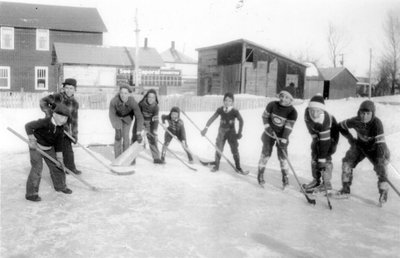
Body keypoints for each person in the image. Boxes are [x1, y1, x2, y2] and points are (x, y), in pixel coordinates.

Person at [337, 100, 391, 205]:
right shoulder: (355, 121)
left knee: (381, 167)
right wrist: (350, 139)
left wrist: (379, 160)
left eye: (368, 113)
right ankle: (345, 189)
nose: (364, 116)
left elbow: (380, 144)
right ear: (359, 112)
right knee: (347, 161)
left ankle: (383, 192)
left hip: (376, 148)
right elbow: (340, 126)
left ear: (373, 114)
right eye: (362, 113)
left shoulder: (377, 123)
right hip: (361, 147)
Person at [25, 104, 73, 202]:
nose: (64, 120)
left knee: (57, 166)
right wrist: (32, 139)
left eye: (66, 118)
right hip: (36, 146)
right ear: (54, 115)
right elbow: (28, 126)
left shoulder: (60, 128)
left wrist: (60, 159)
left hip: (49, 148)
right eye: (61, 116)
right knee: (37, 168)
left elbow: (59, 144)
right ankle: (31, 194)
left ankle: (60, 186)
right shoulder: (44, 122)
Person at [40, 78, 81, 175]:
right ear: (63, 88)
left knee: (68, 149)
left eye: (71, 88)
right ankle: (57, 171)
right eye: (67, 88)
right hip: (53, 126)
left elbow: (74, 120)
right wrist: (49, 113)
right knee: (56, 149)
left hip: (65, 129)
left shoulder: (74, 103)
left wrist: (74, 134)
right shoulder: (57, 97)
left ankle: (70, 168)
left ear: (75, 89)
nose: (69, 90)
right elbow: (43, 102)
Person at [257, 90, 298, 188]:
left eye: (287, 97)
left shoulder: (292, 111)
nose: (283, 99)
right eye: (282, 96)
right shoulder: (272, 105)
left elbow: (288, 127)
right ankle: (260, 174)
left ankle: (285, 178)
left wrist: (283, 140)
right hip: (269, 133)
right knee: (266, 153)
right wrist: (268, 127)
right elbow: (265, 117)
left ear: (291, 100)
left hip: (282, 136)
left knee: (283, 157)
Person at [200, 92, 246, 174]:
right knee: (218, 148)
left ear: (232, 102)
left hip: (231, 132)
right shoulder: (220, 109)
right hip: (221, 131)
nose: (227, 102)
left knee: (234, 149)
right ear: (223, 101)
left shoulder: (235, 111)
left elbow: (241, 121)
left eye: (229, 101)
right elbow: (213, 118)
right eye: (226, 100)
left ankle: (238, 167)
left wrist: (239, 133)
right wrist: (206, 128)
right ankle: (216, 165)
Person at [303, 95, 339, 193]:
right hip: (319, 136)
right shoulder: (306, 113)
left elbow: (325, 142)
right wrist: (314, 138)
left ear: (322, 110)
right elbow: (310, 127)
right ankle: (316, 180)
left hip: (331, 138)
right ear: (309, 109)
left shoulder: (325, 120)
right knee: (314, 153)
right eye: (312, 110)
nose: (314, 114)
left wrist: (322, 159)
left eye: (318, 111)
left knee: (324, 157)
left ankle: (326, 183)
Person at [109, 85, 144, 158]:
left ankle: (125, 157)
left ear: (129, 94)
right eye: (121, 93)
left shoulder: (132, 102)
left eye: (125, 93)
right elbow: (111, 115)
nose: (123, 95)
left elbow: (139, 117)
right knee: (118, 137)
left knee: (126, 136)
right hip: (117, 117)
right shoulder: (114, 101)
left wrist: (139, 132)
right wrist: (117, 127)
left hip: (127, 118)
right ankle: (117, 157)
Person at [132, 89, 163, 164]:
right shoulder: (141, 104)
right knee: (136, 139)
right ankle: (132, 158)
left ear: (155, 98)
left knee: (153, 139)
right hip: (140, 122)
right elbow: (138, 116)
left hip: (150, 123)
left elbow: (155, 119)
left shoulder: (156, 107)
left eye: (153, 97)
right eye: (149, 97)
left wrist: (154, 130)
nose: (151, 99)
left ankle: (156, 158)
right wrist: (139, 130)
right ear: (146, 97)